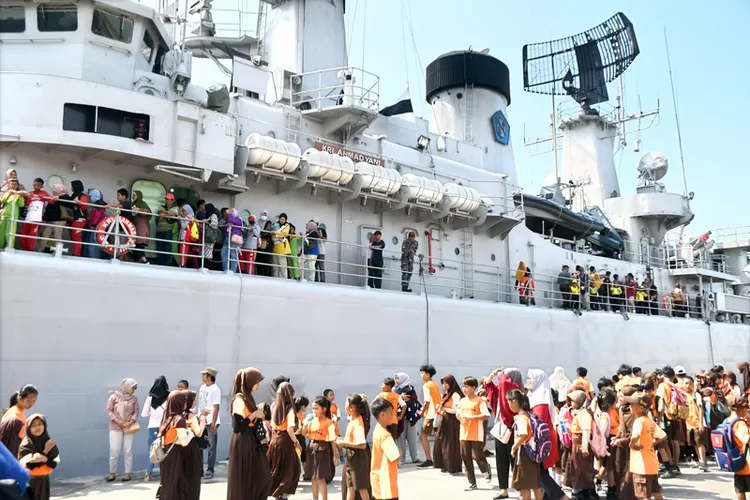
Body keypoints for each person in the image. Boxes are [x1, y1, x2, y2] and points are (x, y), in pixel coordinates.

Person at [227, 368, 272, 500]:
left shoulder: (248, 398)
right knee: (246, 477)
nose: (258, 385)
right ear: (248, 382)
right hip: (244, 441)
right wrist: (254, 415)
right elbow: (237, 426)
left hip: (251, 441)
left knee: (259, 477)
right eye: (255, 382)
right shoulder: (239, 399)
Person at [483, 368, 523, 499]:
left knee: (515, 461)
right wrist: (493, 374)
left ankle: (520, 490)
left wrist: (500, 375)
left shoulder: (517, 391)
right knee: (501, 461)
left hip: (514, 430)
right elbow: (488, 385)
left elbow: (505, 384)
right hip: (500, 430)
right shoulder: (501, 391)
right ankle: (503, 490)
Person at [526, 369, 566, 500]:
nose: (528, 382)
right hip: (542, 437)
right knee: (541, 471)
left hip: (542, 439)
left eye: (530, 379)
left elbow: (538, 422)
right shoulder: (535, 396)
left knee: (540, 472)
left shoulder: (540, 400)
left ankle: (561, 496)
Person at [158, 390, 205, 500]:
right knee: (177, 483)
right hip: (175, 453)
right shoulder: (179, 419)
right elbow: (183, 441)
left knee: (168, 482)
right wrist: (191, 433)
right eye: (183, 400)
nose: (185, 403)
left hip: (165, 452)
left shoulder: (166, 416)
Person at [627, 392, 667, 500]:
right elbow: (663, 436)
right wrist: (653, 443)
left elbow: (635, 436)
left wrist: (631, 444)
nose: (630, 406)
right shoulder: (649, 421)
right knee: (656, 492)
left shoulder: (638, 421)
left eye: (632, 404)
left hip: (641, 466)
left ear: (640, 407)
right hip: (651, 464)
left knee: (643, 496)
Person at [506, 390, 542, 500]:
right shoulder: (529, 414)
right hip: (532, 450)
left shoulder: (521, 418)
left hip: (524, 453)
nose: (509, 406)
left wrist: (514, 447)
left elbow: (523, 435)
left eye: (509, 402)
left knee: (525, 485)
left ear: (515, 401)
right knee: (535, 484)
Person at [457, 377, 491, 491]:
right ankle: (472, 482)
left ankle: (486, 467)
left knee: (477, 455)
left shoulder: (479, 400)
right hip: (464, 433)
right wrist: (460, 418)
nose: (464, 389)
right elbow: (458, 413)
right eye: (463, 386)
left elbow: (486, 415)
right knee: (465, 457)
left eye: (467, 386)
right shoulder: (462, 401)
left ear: (473, 387)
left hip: (476, 433)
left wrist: (471, 417)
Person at [268, 382, 301, 499]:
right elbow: (290, 429)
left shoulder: (274, 407)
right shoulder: (289, 409)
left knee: (276, 469)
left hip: (274, 441)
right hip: (286, 442)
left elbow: (273, 425)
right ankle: (284, 495)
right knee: (290, 469)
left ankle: (276, 494)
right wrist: (296, 442)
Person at [564, 390, 597, 500]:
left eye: (573, 400)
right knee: (577, 467)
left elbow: (586, 430)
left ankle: (584, 491)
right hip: (576, 443)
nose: (571, 403)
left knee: (582, 468)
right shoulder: (580, 413)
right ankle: (580, 490)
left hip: (580, 444)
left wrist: (584, 446)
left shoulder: (584, 414)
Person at [303, 397, 338, 500]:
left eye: (316, 408)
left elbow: (332, 439)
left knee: (321, 478)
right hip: (311, 448)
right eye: (313, 408)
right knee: (313, 478)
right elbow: (304, 433)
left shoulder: (328, 422)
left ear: (323, 409)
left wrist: (335, 455)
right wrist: (305, 424)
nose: (314, 411)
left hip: (322, 449)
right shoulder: (312, 421)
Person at [17, 414, 59, 500]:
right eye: (33, 426)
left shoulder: (49, 442)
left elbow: (54, 463)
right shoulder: (26, 444)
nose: (37, 428)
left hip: (44, 479)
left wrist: (45, 458)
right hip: (29, 480)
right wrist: (45, 452)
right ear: (28, 428)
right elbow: (30, 465)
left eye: (40, 424)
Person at [338, 393, 371, 500]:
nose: (344, 406)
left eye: (346, 404)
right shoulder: (352, 420)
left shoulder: (357, 422)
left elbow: (361, 444)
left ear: (352, 408)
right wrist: (342, 440)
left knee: (361, 488)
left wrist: (343, 443)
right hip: (351, 458)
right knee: (350, 487)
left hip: (358, 458)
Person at [105, 378, 139, 482]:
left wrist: (130, 422)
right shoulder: (114, 397)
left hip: (129, 427)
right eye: (133, 388)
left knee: (128, 451)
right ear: (127, 387)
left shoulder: (134, 399)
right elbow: (108, 410)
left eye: (135, 388)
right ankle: (112, 473)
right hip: (115, 427)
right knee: (114, 450)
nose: (134, 390)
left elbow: (136, 412)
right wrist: (120, 422)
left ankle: (127, 474)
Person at [433, 374, 464, 475]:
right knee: (443, 442)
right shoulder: (447, 394)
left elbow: (456, 410)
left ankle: (453, 466)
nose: (444, 385)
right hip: (445, 420)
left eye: (446, 383)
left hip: (453, 422)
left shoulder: (455, 394)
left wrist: (444, 409)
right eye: (443, 383)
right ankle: (445, 465)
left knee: (451, 444)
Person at [370, 397, 400, 500]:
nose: (393, 415)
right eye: (391, 413)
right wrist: (399, 451)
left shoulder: (377, 430)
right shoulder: (385, 435)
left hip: (377, 478)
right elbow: (395, 457)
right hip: (386, 482)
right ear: (383, 414)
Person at [142, 376, 169, 481]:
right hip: (165, 427)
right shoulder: (168, 396)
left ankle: (148, 474)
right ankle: (165, 474)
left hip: (152, 427)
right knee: (165, 449)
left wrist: (152, 414)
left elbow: (144, 414)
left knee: (152, 450)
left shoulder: (150, 397)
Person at [0, 385, 39, 458]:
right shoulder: (16, 417)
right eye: (29, 401)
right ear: (20, 399)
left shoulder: (14, 410)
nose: (31, 404)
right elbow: (10, 445)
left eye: (34, 401)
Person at [197, 367, 221, 479]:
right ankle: (199, 469)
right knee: (200, 445)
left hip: (211, 421)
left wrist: (213, 423)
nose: (202, 377)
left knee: (211, 446)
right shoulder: (202, 387)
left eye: (204, 375)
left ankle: (210, 469)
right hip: (201, 420)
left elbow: (216, 407)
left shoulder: (215, 389)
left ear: (209, 376)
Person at [682, 376, 709, 472]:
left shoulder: (695, 395)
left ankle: (703, 461)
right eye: (685, 383)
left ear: (693, 385)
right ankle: (700, 460)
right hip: (689, 424)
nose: (687, 385)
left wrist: (701, 423)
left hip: (698, 422)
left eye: (689, 383)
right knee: (694, 443)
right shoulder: (683, 395)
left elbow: (701, 409)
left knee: (700, 443)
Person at [418, 364, 441, 468]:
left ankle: (429, 459)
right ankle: (440, 459)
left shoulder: (426, 385)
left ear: (427, 374)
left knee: (423, 436)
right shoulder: (435, 384)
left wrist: (422, 412)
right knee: (438, 437)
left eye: (422, 372)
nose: (421, 375)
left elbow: (427, 402)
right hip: (438, 413)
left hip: (430, 414)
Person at [394, 373, 419, 464]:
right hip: (400, 418)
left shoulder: (410, 387)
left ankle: (414, 457)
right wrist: (400, 396)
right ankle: (401, 458)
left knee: (412, 438)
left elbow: (414, 397)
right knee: (400, 438)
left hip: (410, 417)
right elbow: (393, 398)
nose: (396, 380)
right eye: (396, 378)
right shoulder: (395, 389)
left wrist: (406, 397)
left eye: (398, 378)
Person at [18, 178, 49, 252]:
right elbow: (25, 204)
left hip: (36, 218)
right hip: (28, 217)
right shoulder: (30, 193)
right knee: (23, 233)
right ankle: (24, 249)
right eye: (35, 185)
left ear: (41, 186)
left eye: (38, 185)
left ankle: (30, 249)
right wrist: (26, 197)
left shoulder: (44, 193)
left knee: (32, 234)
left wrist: (44, 197)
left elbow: (51, 201)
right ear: (33, 184)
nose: (36, 187)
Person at [0, 178, 26, 248]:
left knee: (9, 234)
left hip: (13, 217)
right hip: (4, 216)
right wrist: (9, 194)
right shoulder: (7, 193)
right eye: (12, 184)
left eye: (15, 184)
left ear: (17, 186)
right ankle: (1, 247)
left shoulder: (19, 195)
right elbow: (3, 201)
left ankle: (9, 248)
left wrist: (20, 195)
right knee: (1, 234)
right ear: (9, 185)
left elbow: (21, 205)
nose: (13, 186)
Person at [155, 193, 178, 266]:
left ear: (172, 200)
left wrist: (165, 214)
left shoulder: (175, 207)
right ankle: (161, 262)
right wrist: (167, 214)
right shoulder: (162, 206)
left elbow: (174, 213)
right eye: (166, 199)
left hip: (168, 230)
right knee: (159, 246)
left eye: (168, 199)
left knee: (168, 246)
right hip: (159, 230)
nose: (166, 201)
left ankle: (168, 263)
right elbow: (159, 211)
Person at [130, 190, 152, 264]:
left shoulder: (142, 204)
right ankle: (139, 261)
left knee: (139, 245)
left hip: (142, 228)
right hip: (135, 227)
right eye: (133, 195)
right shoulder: (133, 204)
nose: (133, 196)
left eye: (135, 195)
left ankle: (145, 261)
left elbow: (148, 212)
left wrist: (139, 209)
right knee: (135, 246)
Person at [67, 180, 88, 257]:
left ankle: (76, 254)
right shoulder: (73, 195)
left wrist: (79, 203)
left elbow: (85, 207)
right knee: (73, 237)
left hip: (79, 219)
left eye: (72, 186)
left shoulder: (83, 195)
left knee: (76, 237)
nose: (71, 188)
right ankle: (75, 253)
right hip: (72, 219)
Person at [222, 208, 243, 273]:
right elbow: (224, 229)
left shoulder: (239, 219)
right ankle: (225, 269)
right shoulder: (228, 220)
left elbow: (231, 220)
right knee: (223, 254)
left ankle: (233, 271)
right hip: (227, 238)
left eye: (228, 214)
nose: (227, 215)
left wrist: (230, 213)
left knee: (233, 255)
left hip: (234, 239)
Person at [271, 213, 291, 279]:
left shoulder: (287, 226)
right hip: (275, 246)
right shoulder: (275, 224)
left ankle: (284, 278)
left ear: (285, 220)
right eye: (281, 219)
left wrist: (275, 234)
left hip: (282, 247)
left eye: (283, 219)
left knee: (282, 265)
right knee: (275, 264)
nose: (282, 220)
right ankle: (275, 277)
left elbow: (284, 234)